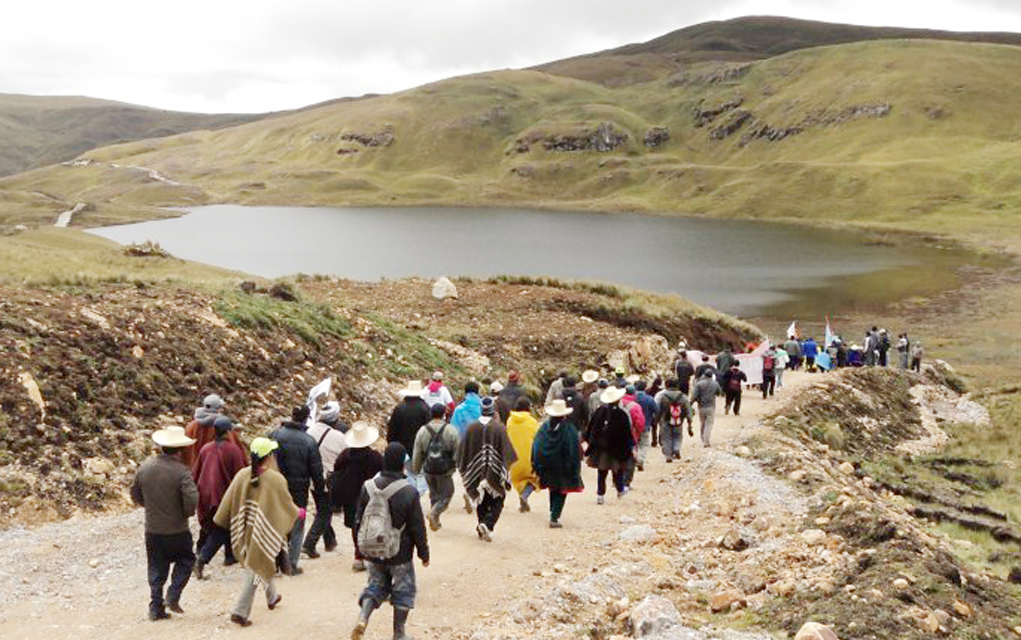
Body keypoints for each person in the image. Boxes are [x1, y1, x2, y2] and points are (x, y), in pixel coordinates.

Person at [214, 437, 301, 627]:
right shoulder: (275, 479)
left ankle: (272, 596)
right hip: (264, 527)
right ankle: (240, 611)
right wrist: (298, 513)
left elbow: (227, 503)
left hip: (245, 527)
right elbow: (285, 505)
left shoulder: (242, 475)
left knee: (262, 558)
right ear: (269, 456)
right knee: (256, 563)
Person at [351, 442, 429, 640]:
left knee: (375, 585)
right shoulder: (409, 491)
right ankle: (399, 633)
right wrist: (423, 553)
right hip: (399, 553)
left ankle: (363, 617)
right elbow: (417, 527)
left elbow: (358, 521)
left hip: (372, 550)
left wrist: (359, 549)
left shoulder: (367, 487)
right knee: (404, 589)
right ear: (403, 464)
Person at [130, 425, 199, 621]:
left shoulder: (145, 468)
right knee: (186, 560)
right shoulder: (182, 472)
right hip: (177, 529)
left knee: (156, 567)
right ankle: (173, 594)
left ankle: (155, 607)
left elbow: (135, 494)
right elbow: (192, 499)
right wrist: (187, 513)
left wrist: (150, 506)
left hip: (153, 529)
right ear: (181, 449)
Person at [269, 406, 325, 575]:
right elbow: (316, 468)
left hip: (276, 486)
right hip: (299, 490)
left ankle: (275, 561)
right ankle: (292, 564)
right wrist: (320, 488)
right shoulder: (308, 441)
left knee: (277, 522)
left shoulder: (275, 434)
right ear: (307, 418)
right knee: (297, 525)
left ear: (292, 416)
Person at [192, 416, 246, 579]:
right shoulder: (233, 450)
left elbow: (196, 473)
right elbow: (240, 474)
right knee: (222, 527)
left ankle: (230, 556)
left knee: (218, 525)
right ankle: (202, 559)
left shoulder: (205, 449)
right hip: (223, 495)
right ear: (229, 431)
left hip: (205, 494)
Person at [458, 396, 516, 542]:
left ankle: (481, 525)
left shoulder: (472, 428)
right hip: (495, 472)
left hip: (476, 473)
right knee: (498, 497)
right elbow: (507, 452)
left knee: (480, 498)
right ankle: (487, 524)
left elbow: (463, 451)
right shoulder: (500, 428)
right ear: (493, 411)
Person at [332, 421, 383, 572]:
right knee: (372, 523)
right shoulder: (374, 457)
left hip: (350, 496)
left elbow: (336, 469)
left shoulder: (345, 455)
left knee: (356, 524)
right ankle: (374, 554)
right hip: (370, 495)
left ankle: (358, 556)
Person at [303, 401, 348, 558]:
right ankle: (309, 544)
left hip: (311, 479)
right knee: (325, 512)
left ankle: (330, 541)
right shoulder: (339, 437)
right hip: (329, 480)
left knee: (323, 508)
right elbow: (345, 458)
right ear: (335, 419)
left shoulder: (309, 432)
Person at [532, 399, 584, 528]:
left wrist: (536, 463)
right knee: (562, 491)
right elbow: (573, 449)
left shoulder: (544, 427)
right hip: (563, 466)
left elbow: (537, 446)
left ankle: (552, 512)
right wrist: (574, 468)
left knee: (553, 488)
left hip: (547, 465)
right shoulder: (568, 429)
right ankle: (554, 516)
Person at [411, 403, 460, 531]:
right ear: (444, 414)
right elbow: (457, 451)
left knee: (434, 494)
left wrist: (416, 469)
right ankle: (434, 514)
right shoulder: (451, 430)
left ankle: (436, 521)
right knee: (447, 494)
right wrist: (455, 465)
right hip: (445, 470)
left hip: (428, 469)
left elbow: (417, 452)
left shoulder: (422, 430)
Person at [586, 386, 634, 503]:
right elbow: (627, 433)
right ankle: (620, 490)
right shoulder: (621, 414)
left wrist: (590, 443)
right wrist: (630, 447)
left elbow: (592, 428)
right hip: (617, 448)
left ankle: (600, 495)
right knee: (618, 470)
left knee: (602, 472)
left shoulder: (599, 411)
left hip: (601, 448)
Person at [388, 380, 432, 496]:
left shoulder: (399, 408)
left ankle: (411, 497)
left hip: (403, 448)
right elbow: (430, 430)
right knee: (421, 475)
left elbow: (392, 430)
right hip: (421, 448)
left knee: (409, 474)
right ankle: (417, 497)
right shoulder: (425, 408)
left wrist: (392, 445)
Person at [182, 394, 242, 469]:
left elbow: (185, 450)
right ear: (218, 409)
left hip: (192, 470)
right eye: (220, 407)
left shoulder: (191, 426)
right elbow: (235, 450)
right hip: (215, 469)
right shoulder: (223, 427)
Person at [505, 396, 541, 513]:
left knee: (518, 480)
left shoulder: (510, 421)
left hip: (513, 460)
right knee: (535, 479)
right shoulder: (532, 422)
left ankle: (523, 502)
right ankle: (525, 496)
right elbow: (538, 440)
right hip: (528, 459)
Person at [656, 379, 692, 461]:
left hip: (665, 419)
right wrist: (689, 421)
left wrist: (656, 419)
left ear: (666, 386)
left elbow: (658, 409)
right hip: (679, 419)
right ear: (677, 386)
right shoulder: (683, 396)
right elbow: (688, 409)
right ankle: (676, 448)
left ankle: (668, 455)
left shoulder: (662, 396)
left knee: (666, 437)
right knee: (678, 436)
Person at [691, 370, 721, 447]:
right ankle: (706, 441)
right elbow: (719, 392)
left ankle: (702, 437)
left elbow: (694, 396)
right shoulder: (715, 384)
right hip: (711, 406)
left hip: (701, 406)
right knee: (709, 424)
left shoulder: (699, 384)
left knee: (703, 423)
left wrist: (689, 404)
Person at [634, 381, 658, 470]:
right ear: (645, 388)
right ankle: (640, 460)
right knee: (643, 444)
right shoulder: (650, 399)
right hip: (645, 425)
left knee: (634, 443)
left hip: (633, 426)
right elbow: (656, 410)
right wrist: (654, 420)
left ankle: (634, 458)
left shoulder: (632, 398)